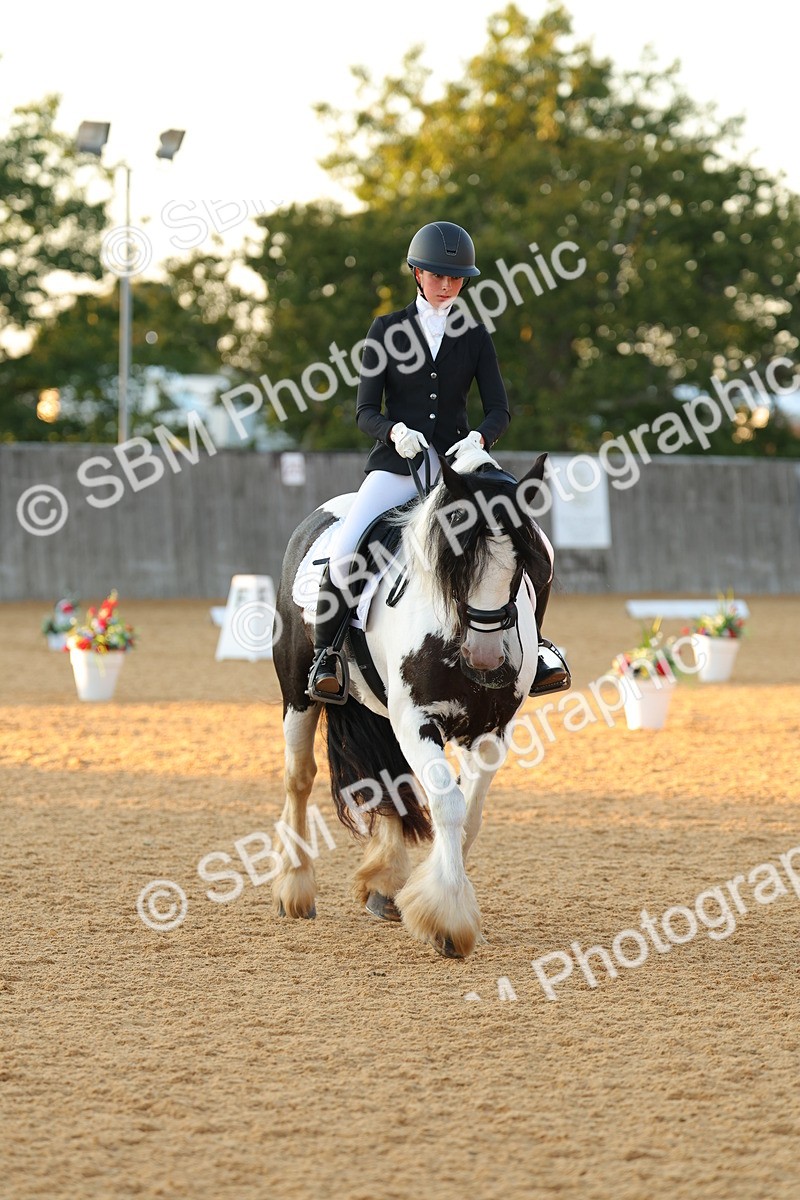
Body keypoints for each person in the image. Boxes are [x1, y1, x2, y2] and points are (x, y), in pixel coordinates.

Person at [306, 220, 570, 702]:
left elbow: (499, 409)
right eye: (437, 276)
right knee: (346, 549)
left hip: (459, 466)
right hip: (396, 464)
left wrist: (479, 440)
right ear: (416, 273)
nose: (447, 285)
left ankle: (541, 646)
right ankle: (327, 656)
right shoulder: (385, 330)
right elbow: (364, 411)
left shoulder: (474, 334)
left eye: (456, 278)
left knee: (540, 546)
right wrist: (394, 432)